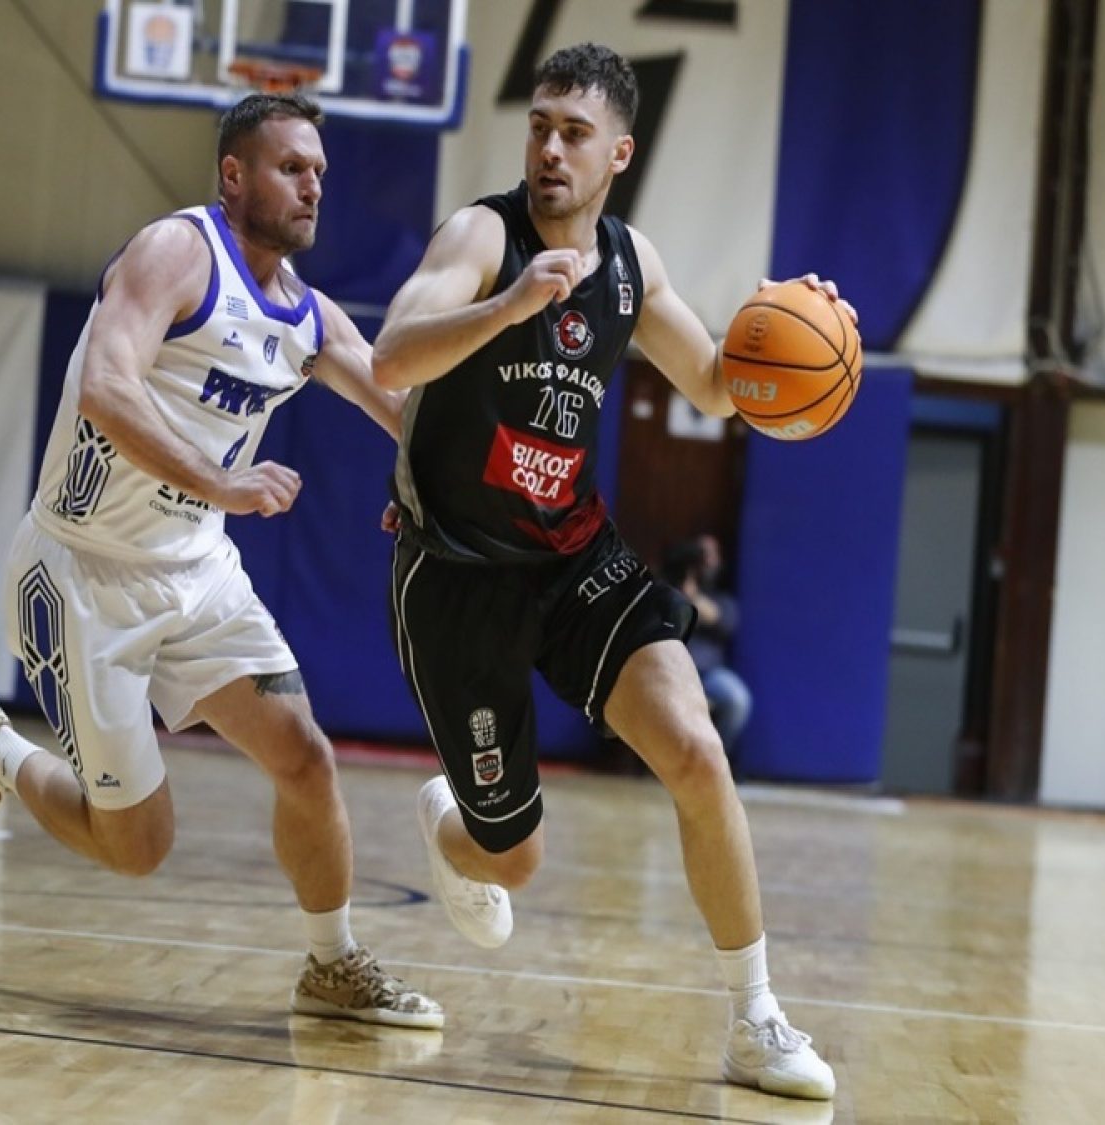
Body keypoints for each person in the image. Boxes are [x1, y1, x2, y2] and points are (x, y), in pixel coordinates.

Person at [372, 44, 852, 1097]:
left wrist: (799, 325)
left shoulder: (633, 266)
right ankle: (452, 822)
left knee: (696, 749)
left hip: (575, 556)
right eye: (540, 126)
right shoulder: (482, 237)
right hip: (456, 574)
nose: (550, 148)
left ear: (618, 154)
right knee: (514, 858)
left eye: (575, 133)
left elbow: (718, 385)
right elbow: (392, 356)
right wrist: (505, 307)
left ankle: (756, 1019)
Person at [0, 93, 441, 1030]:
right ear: (234, 175)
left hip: (198, 573)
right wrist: (223, 483)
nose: (313, 185)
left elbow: (404, 414)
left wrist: (445, 487)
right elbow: (106, 386)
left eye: (320, 171)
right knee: (138, 846)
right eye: (292, 167)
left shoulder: (309, 318)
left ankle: (333, 964)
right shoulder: (177, 252)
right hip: (83, 574)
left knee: (306, 758)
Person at [664, 534, 751, 755]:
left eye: (710, 555)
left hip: (708, 674)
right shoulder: (666, 591)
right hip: (670, 672)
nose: (706, 562)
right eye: (701, 554)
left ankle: (713, 758)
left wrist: (692, 595)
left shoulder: (722, 598)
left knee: (737, 698)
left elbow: (721, 620)